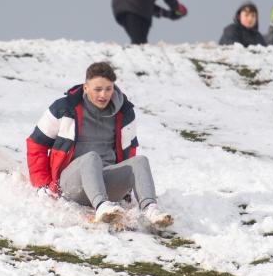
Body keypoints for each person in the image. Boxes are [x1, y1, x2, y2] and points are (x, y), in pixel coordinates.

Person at [26, 61, 173, 227]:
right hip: (72, 185)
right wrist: (42, 184)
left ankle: (150, 209)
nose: (103, 95)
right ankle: (102, 207)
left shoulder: (125, 113)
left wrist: (126, 189)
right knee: (91, 158)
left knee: (140, 161)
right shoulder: (64, 108)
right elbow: (35, 144)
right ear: (86, 87)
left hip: (107, 181)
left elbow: (129, 150)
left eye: (108, 89)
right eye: (97, 89)